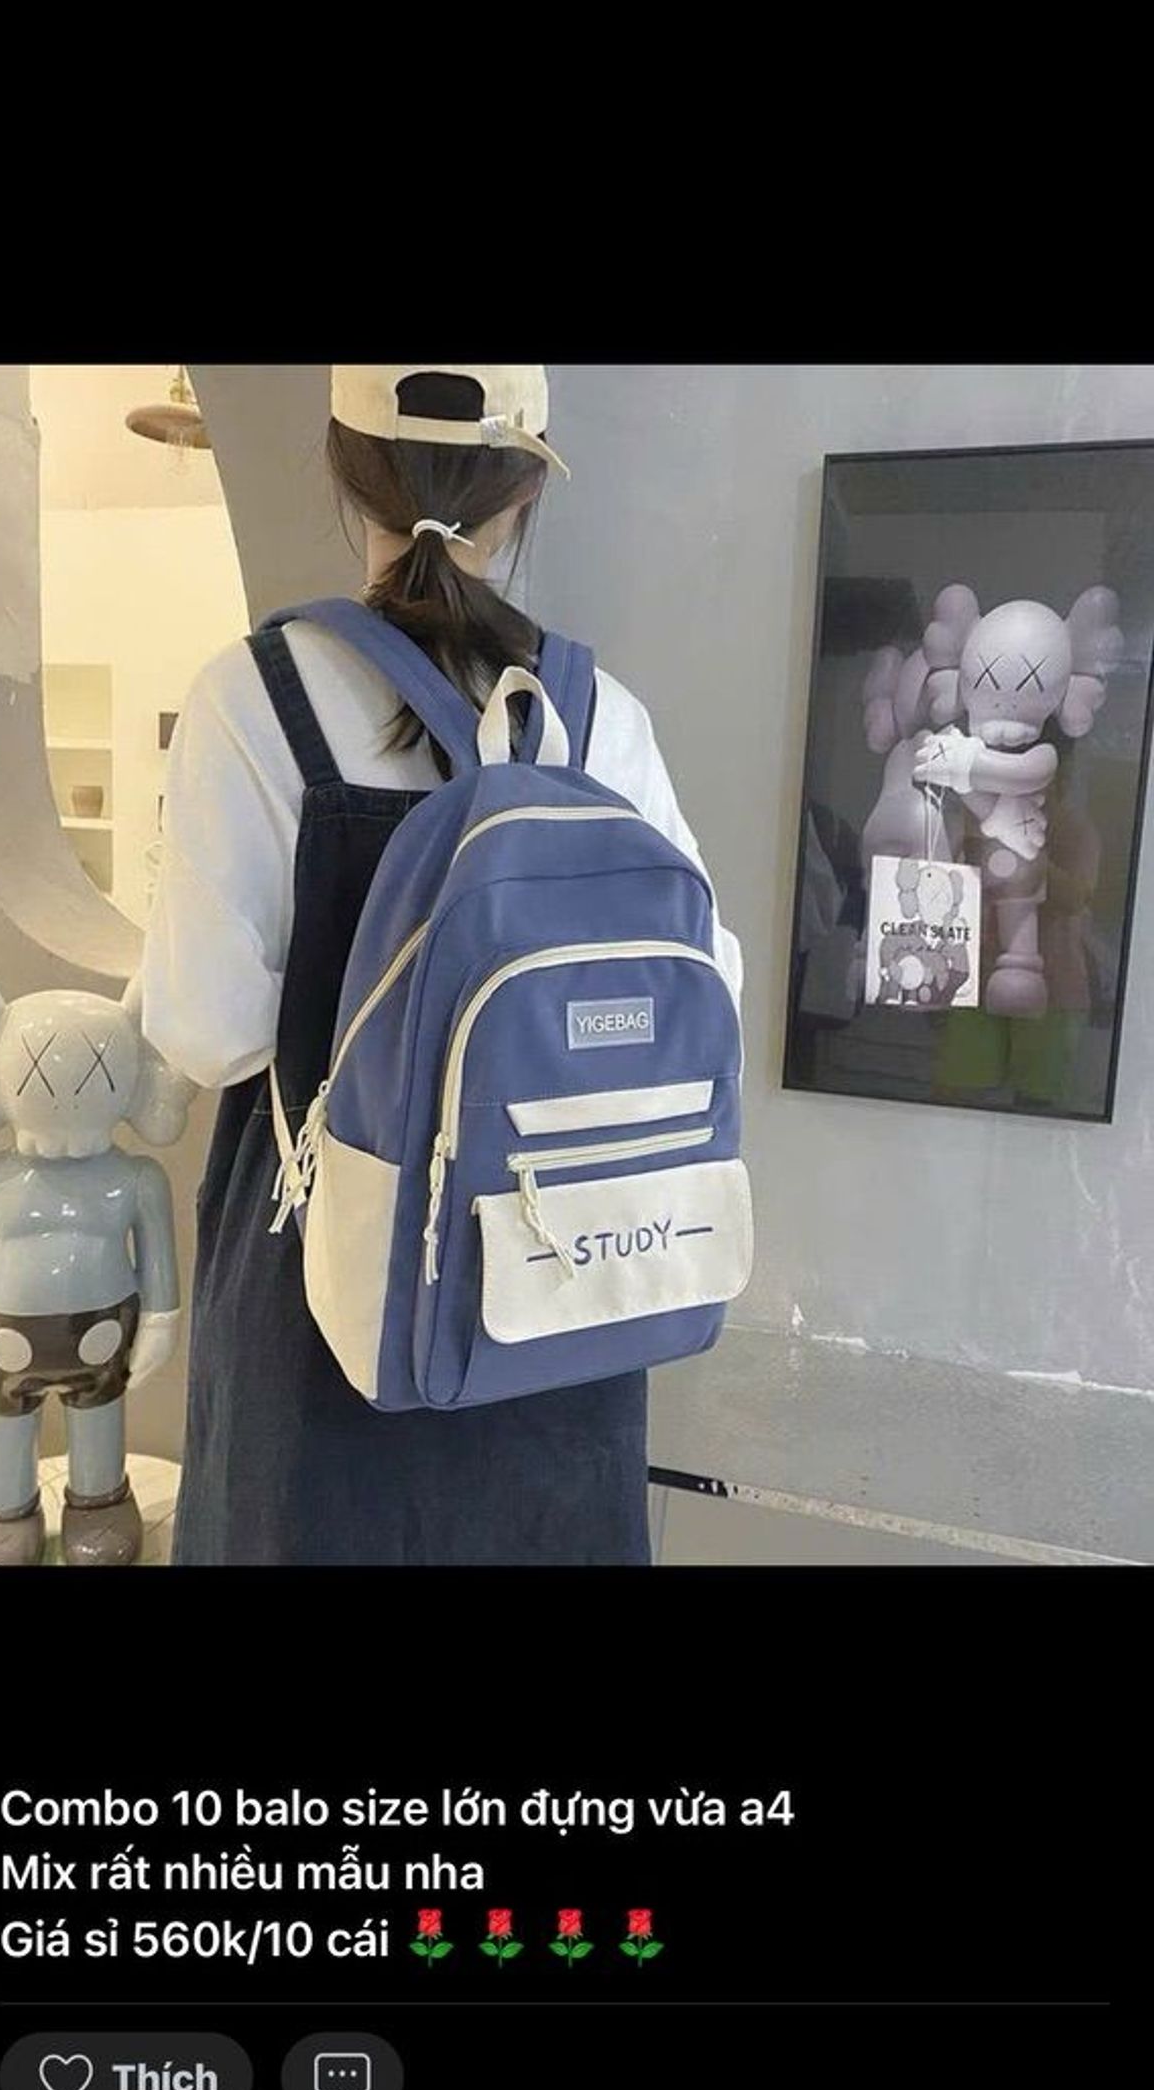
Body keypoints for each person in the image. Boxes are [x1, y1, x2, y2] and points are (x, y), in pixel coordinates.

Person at [142, 365, 742, 1566]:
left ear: (345, 467)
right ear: (525, 492)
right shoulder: (600, 717)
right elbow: (707, 977)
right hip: (555, 1287)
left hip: (329, 1300)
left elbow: (205, 1027)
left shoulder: (254, 700)